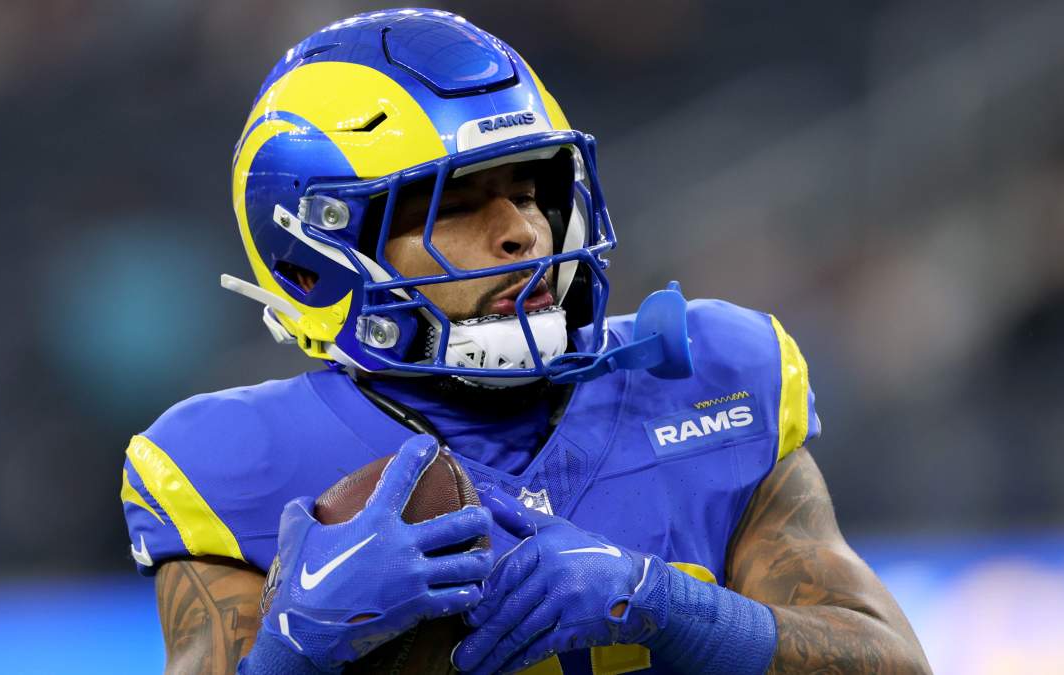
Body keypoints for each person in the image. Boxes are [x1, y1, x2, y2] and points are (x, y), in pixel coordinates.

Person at [120, 9, 930, 674]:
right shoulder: (232, 463)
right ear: (315, 262)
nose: (523, 232)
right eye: (455, 203)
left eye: (530, 188)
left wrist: (663, 604)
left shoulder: (715, 375)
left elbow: (893, 663)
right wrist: (294, 651)